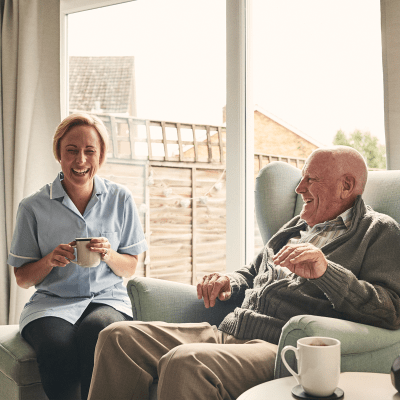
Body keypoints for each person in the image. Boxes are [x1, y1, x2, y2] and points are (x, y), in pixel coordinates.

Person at [87, 146, 400, 400]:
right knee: (117, 337)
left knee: (185, 363)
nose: (298, 187)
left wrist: (324, 271)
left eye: (311, 179)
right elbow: (252, 271)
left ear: (347, 185)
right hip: (229, 331)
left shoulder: (378, 231)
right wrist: (229, 280)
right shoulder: (297, 226)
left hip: (279, 347)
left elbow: (391, 310)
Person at [8, 112, 148, 400]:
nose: (80, 160)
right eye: (71, 151)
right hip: (51, 303)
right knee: (56, 347)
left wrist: (108, 254)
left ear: (101, 156)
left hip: (107, 299)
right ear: (59, 154)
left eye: (89, 151)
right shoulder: (32, 207)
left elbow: (131, 266)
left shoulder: (121, 199)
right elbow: (22, 278)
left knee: (98, 333)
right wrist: (49, 260)